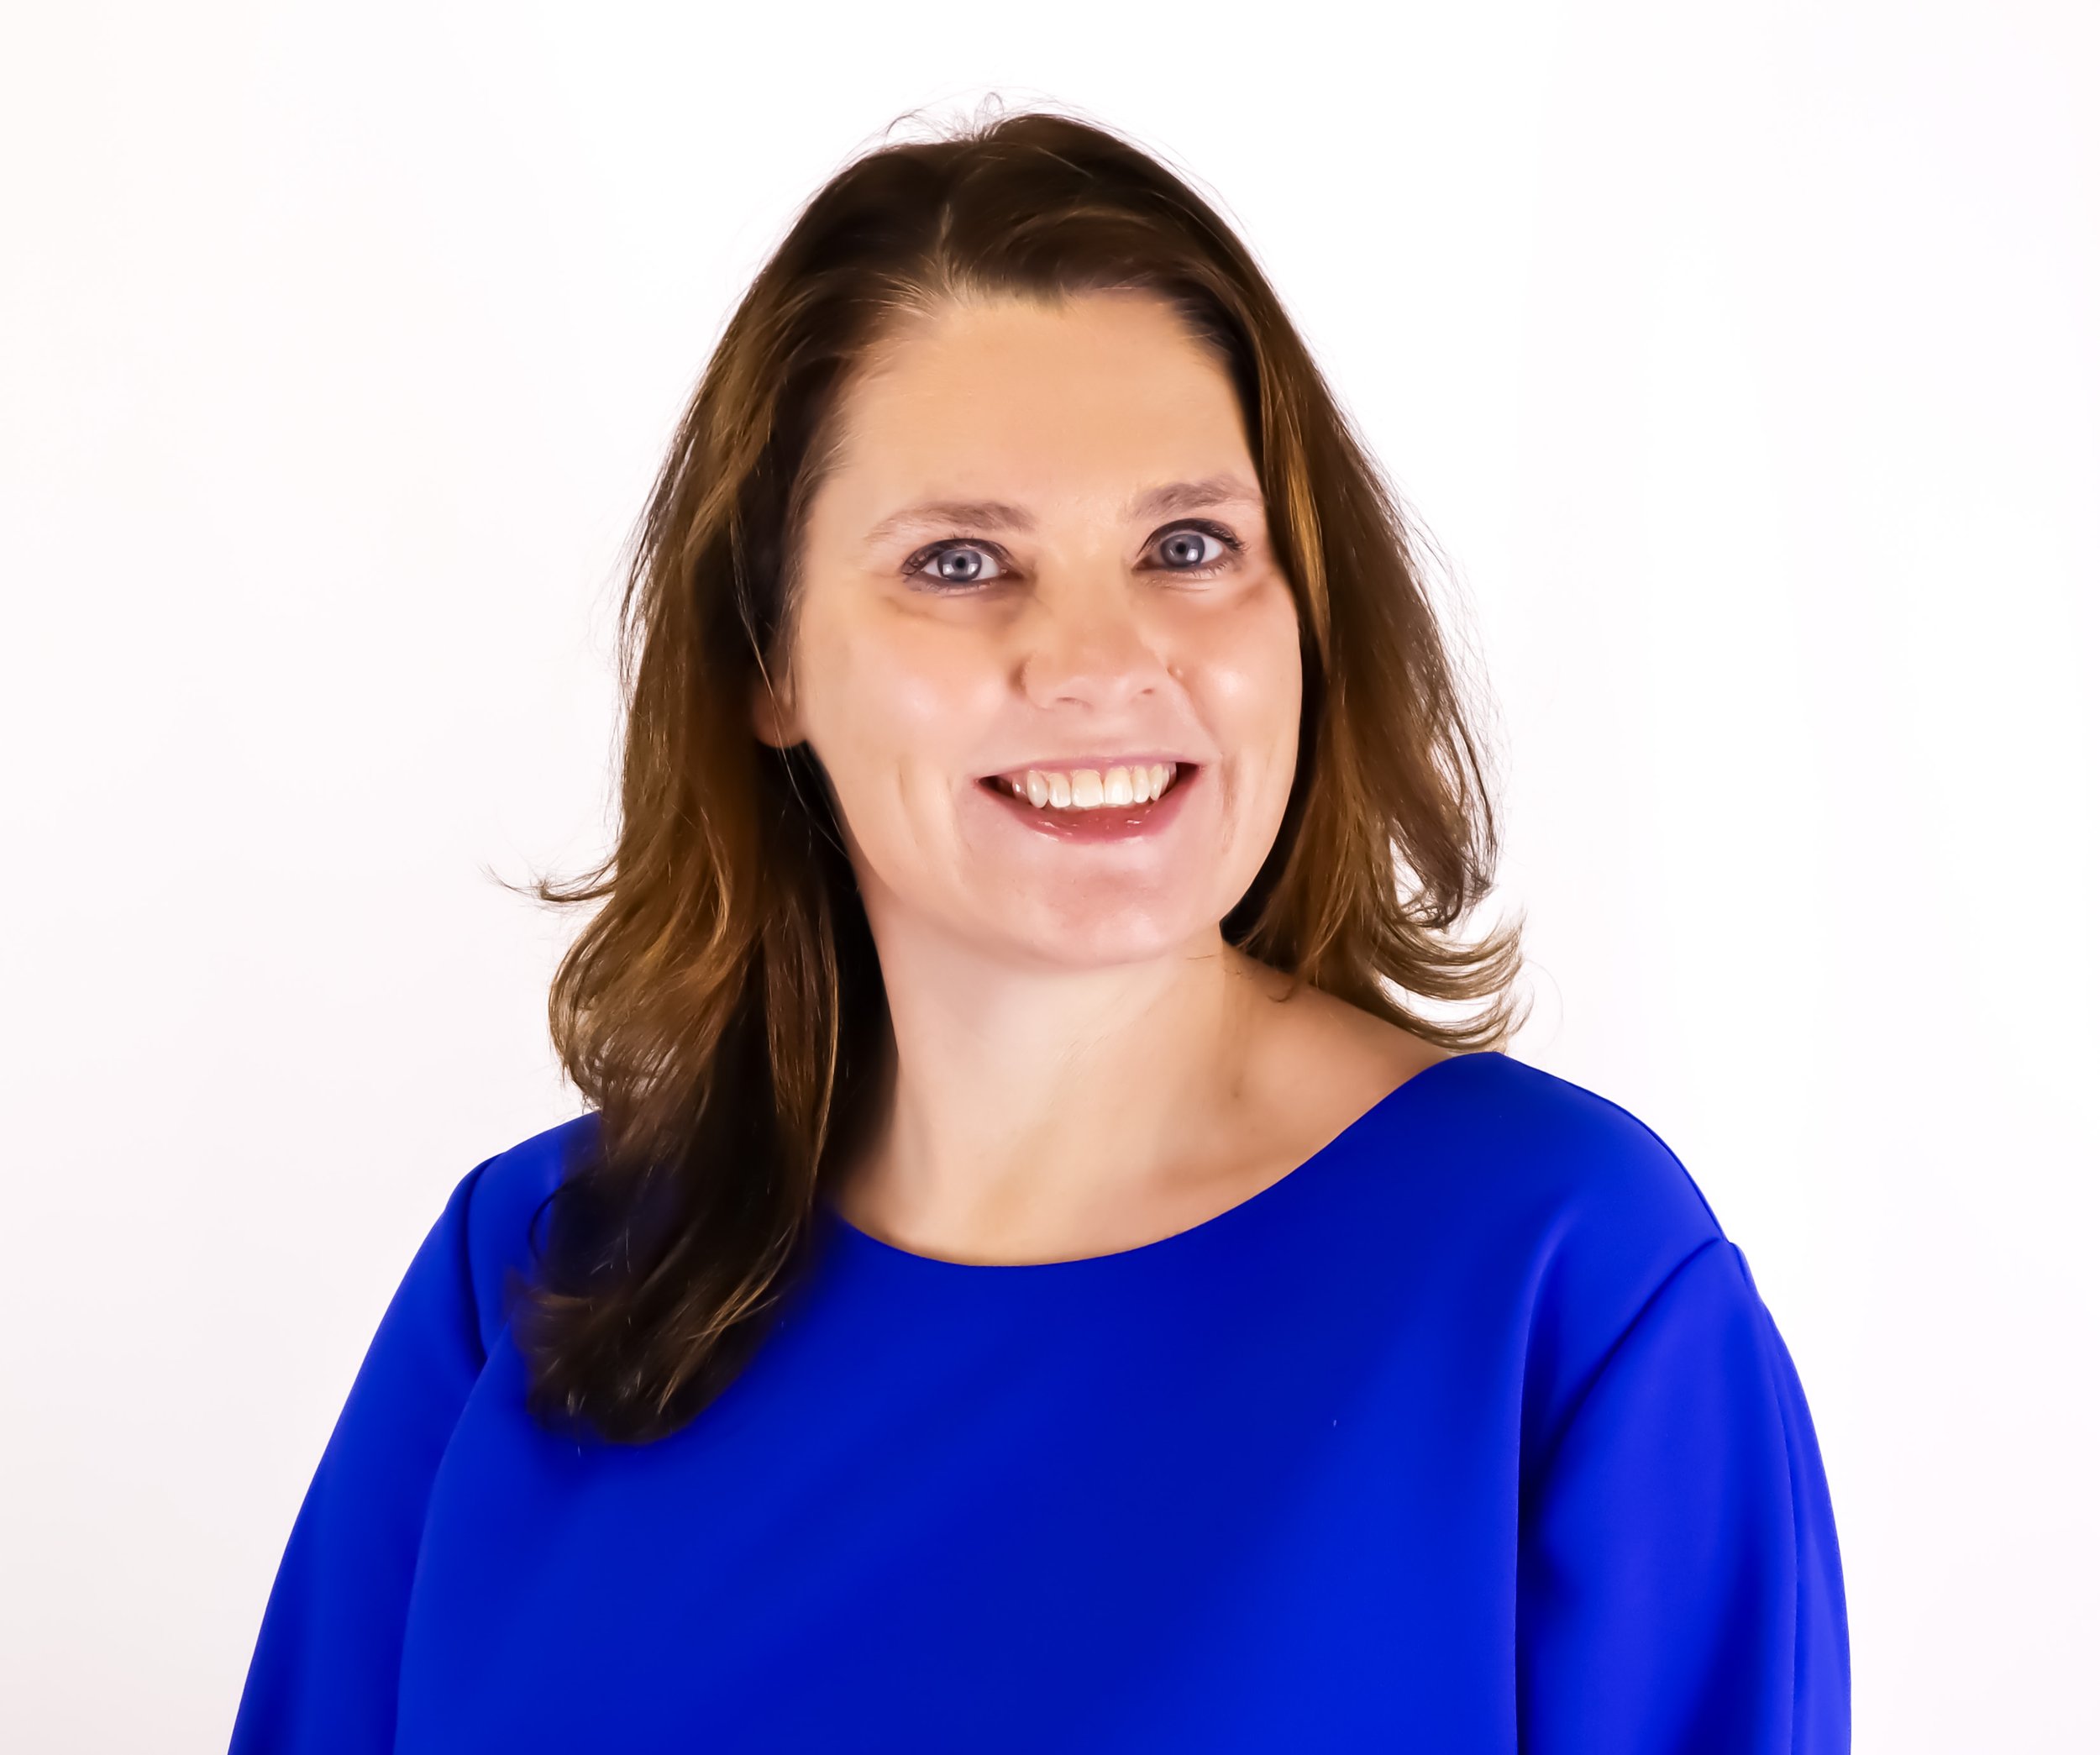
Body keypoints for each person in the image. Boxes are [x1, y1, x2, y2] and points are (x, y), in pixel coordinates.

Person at [229, 107, 1849, 1752]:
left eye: (1187, 545)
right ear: (764, 659)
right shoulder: (528, 1277)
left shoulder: (1560, 1280)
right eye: (956, 560)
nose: (1094, 658)